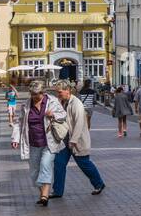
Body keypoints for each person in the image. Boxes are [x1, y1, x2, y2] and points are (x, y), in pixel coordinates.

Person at [11, 79, 67, 207]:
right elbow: (19, 122)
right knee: (34, 171)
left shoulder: (52, 102)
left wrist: (53, 115)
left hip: (49, 141)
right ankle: (43, 193)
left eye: (37, 94)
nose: (34, 97)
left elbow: (63, 114)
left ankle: (44, 196)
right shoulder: (26, 105)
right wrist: (15, 139)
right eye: (32, 94)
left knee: (45, 164)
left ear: (43, 93)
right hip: (33, 142)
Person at [50, 79, 106, 198]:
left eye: (59, 92)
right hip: (65, 139)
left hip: (77, 140)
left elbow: (79, 123)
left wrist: (73, 140)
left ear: (68, 90)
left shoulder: (76, 104)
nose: (58, 94)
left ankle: (99, 183)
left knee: (84, 163)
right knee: (59, 164)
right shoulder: (63, 102)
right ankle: (57, 191)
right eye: (57, 92)